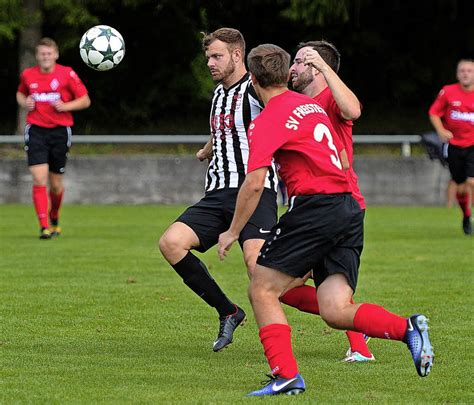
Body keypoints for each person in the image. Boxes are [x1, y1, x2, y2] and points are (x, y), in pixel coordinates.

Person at [218, 43, 434, 396]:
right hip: (347, 207)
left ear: (253, 80)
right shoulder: (310, 108)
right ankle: (408, 329)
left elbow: (255, 182)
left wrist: (232, 231)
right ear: (287, 73)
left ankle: (286, 375)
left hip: (315, 207)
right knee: (335, 309)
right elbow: (343, 159)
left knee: (261, 287)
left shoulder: (268, 120)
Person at [158, 28, 278, 352]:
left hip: (255, 190)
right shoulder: (218, 95)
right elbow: (229, 127)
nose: (210, 63)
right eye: (208, 57)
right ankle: (229, 311)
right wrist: (209, 147)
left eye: (217, 56)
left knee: (257, 267)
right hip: (217, 192)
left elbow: (283, 118)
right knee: (171, 243)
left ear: (237, 55)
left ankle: (344, 315)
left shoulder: (256, 89)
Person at [281, 40, 373, 363]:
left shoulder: (332, 99)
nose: (292, 68)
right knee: (278, 288)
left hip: (338, 207)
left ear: (319, 66)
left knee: (271, 285)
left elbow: (354, 110)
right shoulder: (292, 104)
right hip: (309, 207)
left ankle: (362, 338)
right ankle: (358, 334)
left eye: (299, 61)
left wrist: (322, 65)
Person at [16, 37, 91, 239]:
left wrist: (66, 106)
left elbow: (85, 100)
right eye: (42, 54)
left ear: (56, 55)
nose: (46, 57)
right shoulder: (28, 75)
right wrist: (26, 102)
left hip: (59, 131)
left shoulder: (67, 74)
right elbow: (20, 94)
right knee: (39, 178)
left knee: (56, 184)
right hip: (36, 131)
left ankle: (54, 215)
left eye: (49, 53)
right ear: (37, 56)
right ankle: (44, 226)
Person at [429, 59, 474, 235]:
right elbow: (433, 113)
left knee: (472, 180)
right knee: (461, 186)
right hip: (455, 145)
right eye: (462, 70)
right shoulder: (448, 91)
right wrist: (441, 130)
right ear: (457, 74)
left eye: (469, 71)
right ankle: (466, 215)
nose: (465, 73)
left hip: (473, 145)